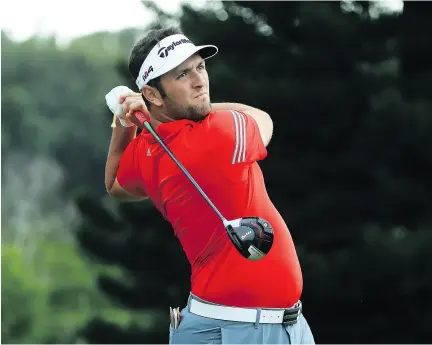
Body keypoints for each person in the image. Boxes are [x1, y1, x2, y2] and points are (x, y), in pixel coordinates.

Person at [105, 27, 315, 344]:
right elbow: (261, 118)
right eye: (182, 75)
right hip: (241, 330)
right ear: (151, 94)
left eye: (200, 67)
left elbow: (114, 184)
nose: (199, 81)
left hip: (244, 323)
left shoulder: (146, 150)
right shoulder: (220, 133)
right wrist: (202, 106)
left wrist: (123, 122)